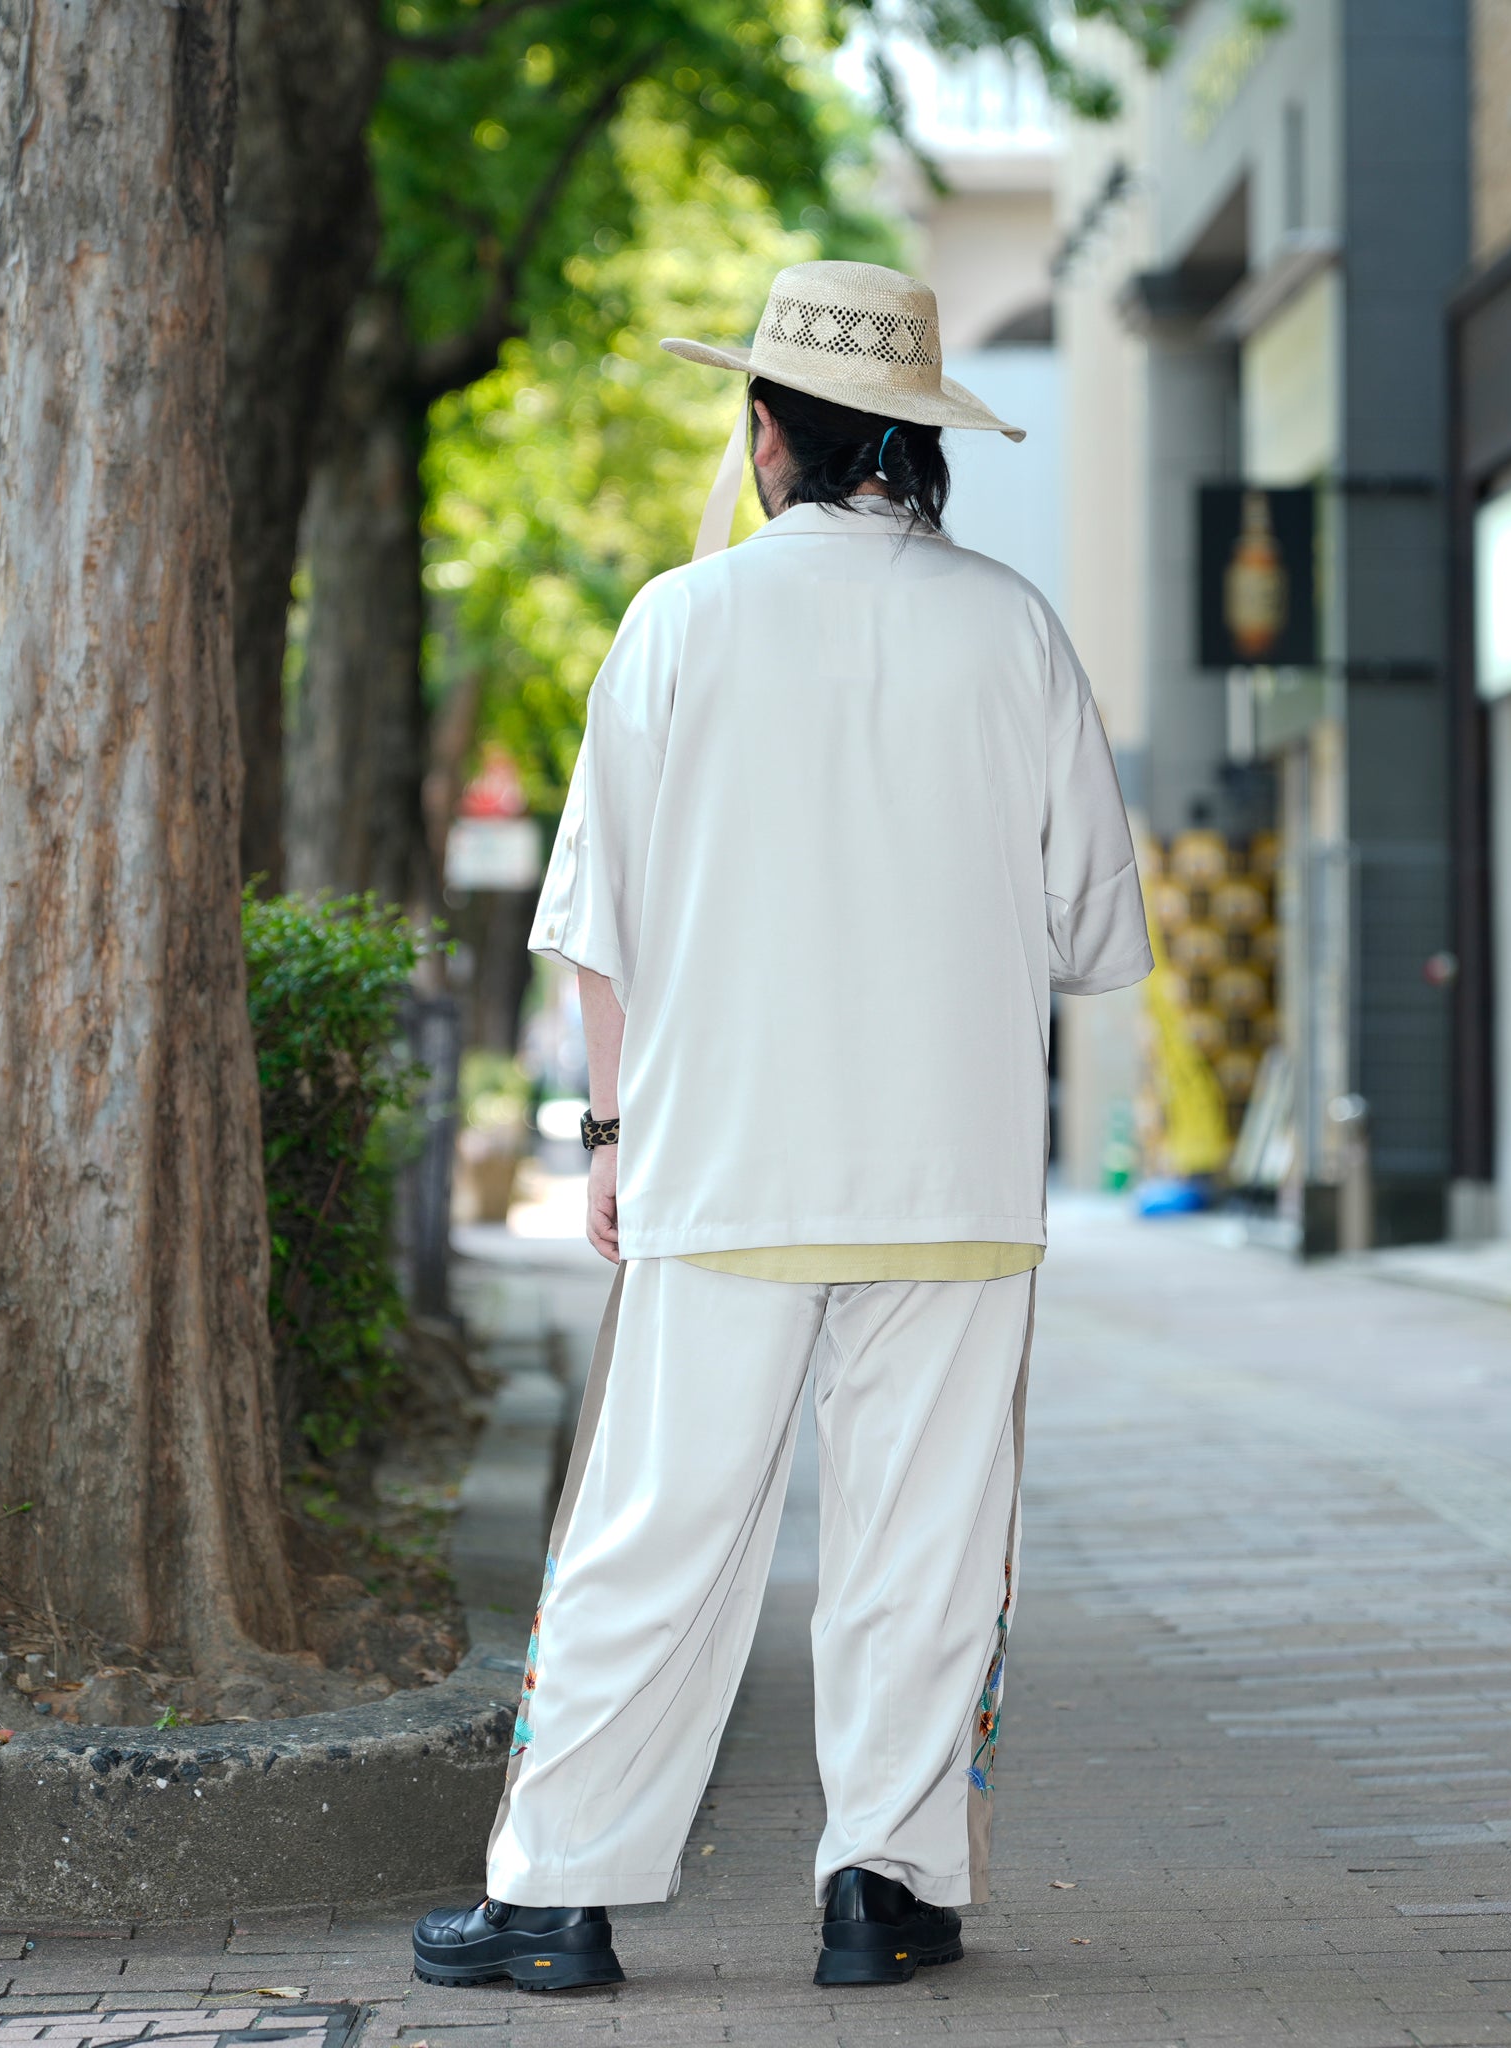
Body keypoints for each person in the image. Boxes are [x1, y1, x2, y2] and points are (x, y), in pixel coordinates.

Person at [409, 260, 1149, 1992]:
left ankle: (555, 1900)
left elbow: (597, 918)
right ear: (915, 441)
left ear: (768, 434)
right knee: (922, 1541)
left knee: (654, 1528)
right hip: (951, 1169)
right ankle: (876, 1893)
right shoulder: (1011, 626)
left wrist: (604, 1133)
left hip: (721, 1156)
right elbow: (1094, 930)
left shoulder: (678, 621)